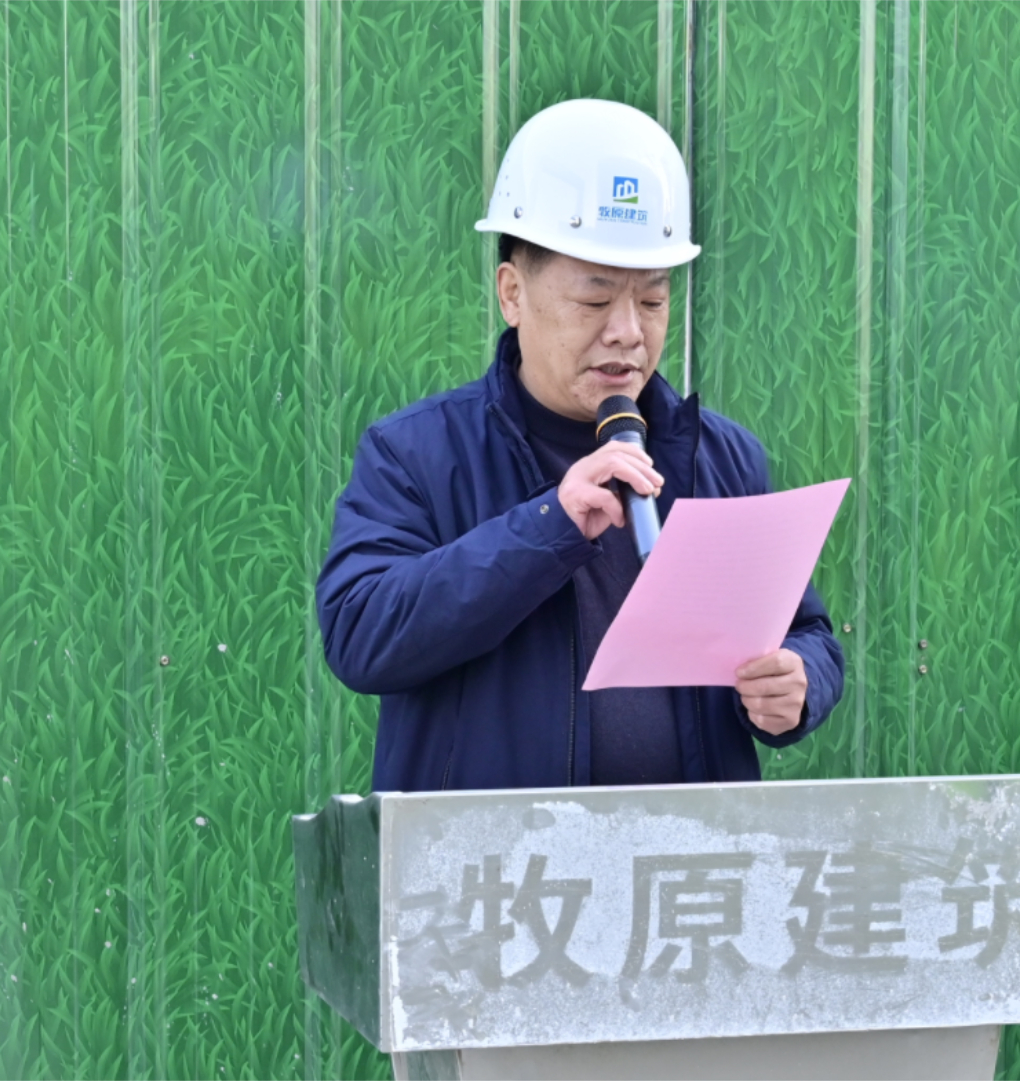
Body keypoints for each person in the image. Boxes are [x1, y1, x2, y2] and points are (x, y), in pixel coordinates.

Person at [316, 99, 843, 792]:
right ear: (512, 293)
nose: (628, 331)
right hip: (498, 857)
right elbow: (361, 634)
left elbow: (803, 629)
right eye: (594, 301)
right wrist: (548, 526)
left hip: (688, 852)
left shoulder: (719, 458)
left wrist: (800, 682)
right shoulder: (417, 453)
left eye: (652, 301)